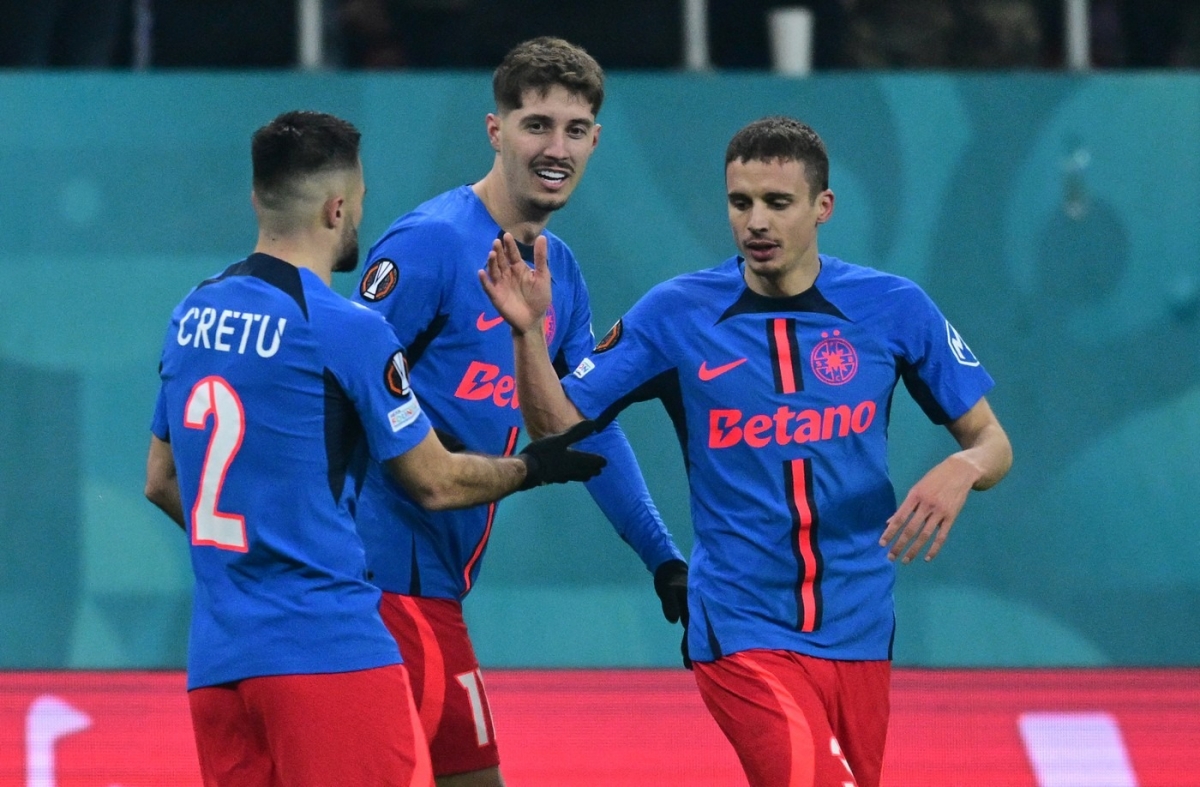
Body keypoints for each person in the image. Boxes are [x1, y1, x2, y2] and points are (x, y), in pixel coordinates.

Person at [481, 115, 1013, 787]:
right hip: (742, 626)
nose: (756, 222)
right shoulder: (676, 313)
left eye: (777, 202)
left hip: (861, 626)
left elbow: (993, 442)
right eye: (741, 202)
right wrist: (528, 334)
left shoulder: (893, 307)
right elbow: (556, 423)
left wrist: (964, 466)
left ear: (823, 207)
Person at [142, 109, 606, 787]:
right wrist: (534, 467)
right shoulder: (345, 327)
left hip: (218, 665)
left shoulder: (194, 313)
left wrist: (260, 549)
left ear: (257, 198)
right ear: (337, 209)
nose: (360, 214)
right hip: (328, 651)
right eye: (359, 200)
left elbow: (161, 480)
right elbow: (435, 482)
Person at [349, 36, 687, 787]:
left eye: (574, 130)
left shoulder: (557, 269)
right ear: (495, 130)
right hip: (373, 584)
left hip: (434, 585)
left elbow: (581, 431)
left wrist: (663, 558)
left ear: (596, 141)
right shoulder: (433, 244)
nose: (555, 148)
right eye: (536, 124)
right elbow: (335, 392)